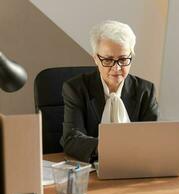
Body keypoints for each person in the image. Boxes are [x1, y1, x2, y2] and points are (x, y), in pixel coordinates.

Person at [60, 20, 159, 162]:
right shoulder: (76, 89)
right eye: (108, 60)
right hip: (95, 165)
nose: (116, 67)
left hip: (136, 164)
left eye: (123, 59)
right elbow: (71, 139)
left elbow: (154, 138)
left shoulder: (146, 91)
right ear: (95, 58)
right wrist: (116, 148)